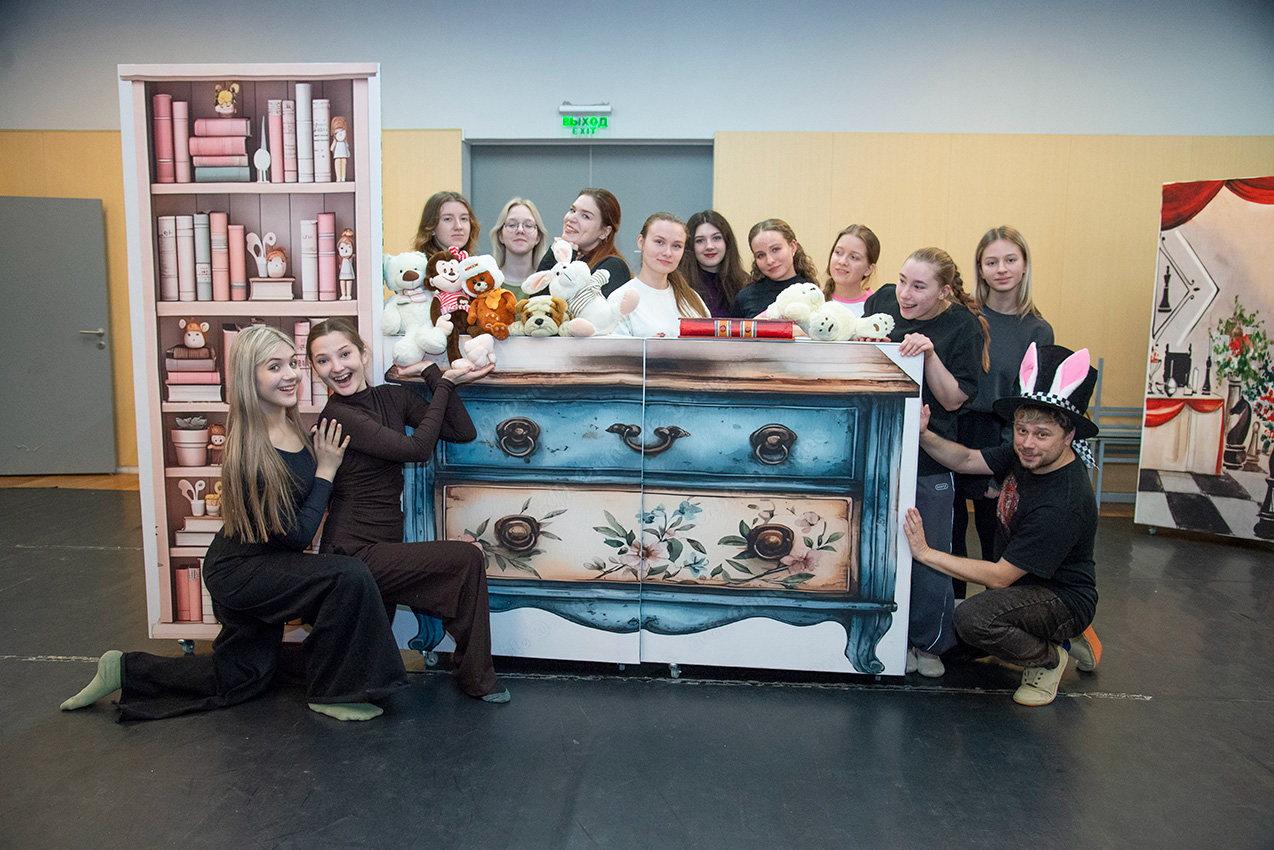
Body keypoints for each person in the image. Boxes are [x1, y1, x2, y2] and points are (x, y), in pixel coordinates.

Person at [62, 325, 407, 722]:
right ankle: (334, 693)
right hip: (241, 570)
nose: (290, 375)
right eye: (274, 367)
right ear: (248, 377)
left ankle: (123, 669)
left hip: (264, 561)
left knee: (242, 678)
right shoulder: (251, 451)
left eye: (292, 363)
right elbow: (297, 536)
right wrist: (326, 470)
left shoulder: (289, 423)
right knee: (348, 575)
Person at [306, 318, 510, 703]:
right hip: (351, 554)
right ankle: (478, 679)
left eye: (345, 354)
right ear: (314, 369)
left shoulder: (393, 398)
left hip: (383, 546)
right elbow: (417, 450)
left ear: (363, 354)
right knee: (466, 558)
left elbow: (461, 431)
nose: (337, 367)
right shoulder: (338, 416)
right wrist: (445, 383)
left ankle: (473, 676)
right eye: (323, 360)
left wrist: (433, 374)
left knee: (463, 565)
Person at [902, 343, 1103, 706]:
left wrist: (926, 553)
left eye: (1042, 434)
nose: (1027, 443)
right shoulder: (1025, 455)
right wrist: (924, 434)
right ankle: (1063, 637)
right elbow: (966, 460)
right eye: (1022, 430)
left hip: (1060, 598)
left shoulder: (1065, 501)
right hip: (1020, 590)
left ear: (1069, 435)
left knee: (974, 619)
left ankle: (1050, 657)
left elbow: (998, 577)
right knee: (952, 642)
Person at [864, 247, 987, 678]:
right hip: (879, 449)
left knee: (930, 551)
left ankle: (930, 644)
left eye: (919, 287)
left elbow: (953, 399)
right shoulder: (881, 302)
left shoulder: (963, 326)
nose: (905, 293)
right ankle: (885, 637)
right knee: (880, 548)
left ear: (944, 291)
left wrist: (929, 354)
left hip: (931, 458)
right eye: (902, 280)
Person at [953, 226, 1054, 570]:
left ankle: (993, 605)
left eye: (1010, 260)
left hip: (1001, 440)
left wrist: (1005, 468)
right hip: (954, 431)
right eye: (992, 262)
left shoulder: (1038, 330)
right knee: (950, 538)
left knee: (994, 541)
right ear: (980, 269)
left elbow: (1031, 405)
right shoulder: (963, 318)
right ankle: (952, 603)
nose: (1001, 269)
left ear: (1024, 265)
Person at [608, 212, 709, 338]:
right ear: (641, 242)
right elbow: (616, 350)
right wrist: (647, 347)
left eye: (676, 246)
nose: (668, 253)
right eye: (659, 242)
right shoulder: (620, 299)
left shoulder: (692, 299)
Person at [535, 188, 631, 297]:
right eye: (572, 210)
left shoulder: (613, 268)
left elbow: (576, 305)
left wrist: (568, 261)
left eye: (586, 216)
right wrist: (554, 256)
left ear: (604, 232)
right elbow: (535, 304)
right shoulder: (563, 257)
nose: (571, 218)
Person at [732, 219, 821, 319]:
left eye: (775, 249)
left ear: (793, 246)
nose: (770, 261)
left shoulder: (812, 293)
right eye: (761, 255)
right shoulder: (745, 297)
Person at [679, 210, 749, 318]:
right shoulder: (679, 285)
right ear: (689, 245)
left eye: (716, 238)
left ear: (727, 242)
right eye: (700, 240)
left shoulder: (745, 283)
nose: (709, 246)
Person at [490, 197, 549, 301]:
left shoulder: (548, 283)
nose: (520, 230)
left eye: (528, 225)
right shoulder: (488, 282)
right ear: (501, 236)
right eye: (512, 225)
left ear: (538, 238)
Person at [823, 224, 880, 317]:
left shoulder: (875, 307)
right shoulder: (814, 299)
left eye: (853, 257)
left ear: (868, 269)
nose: (842, 262)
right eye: (838, 252)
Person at [412, 190, 480, 256]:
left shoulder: (476, 262)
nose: (458, 226)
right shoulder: (417, 263)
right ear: (431, 226)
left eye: (463, 219)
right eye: (448, 219)